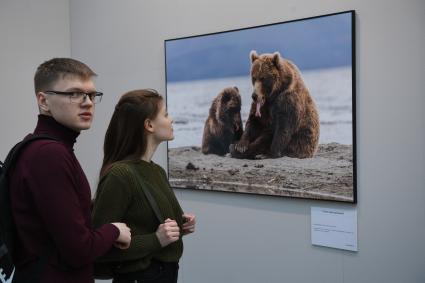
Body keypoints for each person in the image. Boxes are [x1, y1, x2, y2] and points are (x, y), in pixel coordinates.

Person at [9, 58, 132, 283]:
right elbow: (79, 250)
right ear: (43, 101)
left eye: (92, 95)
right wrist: (114, 230)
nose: (87, 103)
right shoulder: (49, 155)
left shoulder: (42, 148)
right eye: (74, 94)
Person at [92, 89, 196, 283]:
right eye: (165, 114)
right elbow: (98, 247)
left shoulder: (156, 171)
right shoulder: (120, 175)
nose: (171, 120)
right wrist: (156, 239)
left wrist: (181, 225)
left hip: (167, 274)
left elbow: (149, 224)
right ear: (149, 125)